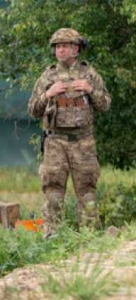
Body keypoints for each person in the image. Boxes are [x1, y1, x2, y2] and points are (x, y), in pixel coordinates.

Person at [28, 28, 111, 236]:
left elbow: (105, 105)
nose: (61, 50)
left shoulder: (89, 74)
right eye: (57, 47)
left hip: (84, 142)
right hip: (55, 142)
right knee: (53, 192)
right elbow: (33, 110)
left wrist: (90, 90)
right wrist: (48, 94)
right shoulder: (48, 76)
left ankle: (89, 238)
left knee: (87, 192)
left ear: (76, 49)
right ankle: (52, 236)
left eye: (65, 46)